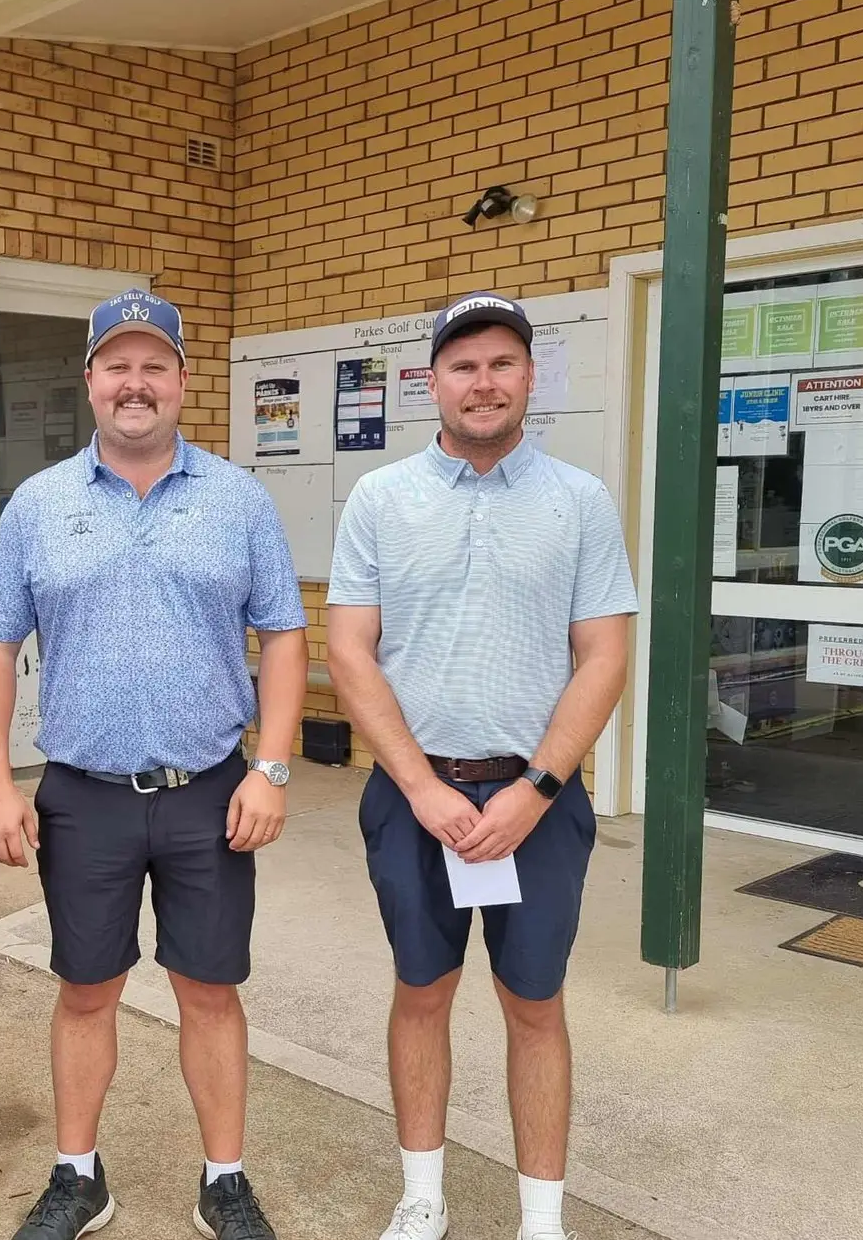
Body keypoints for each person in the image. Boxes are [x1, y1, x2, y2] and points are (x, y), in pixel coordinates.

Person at [0, 289, 309, 1240]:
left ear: (182, 381)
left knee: (210, 988)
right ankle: (79, 1175)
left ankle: (226, 1181)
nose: (135, 383)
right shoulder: (38, 505)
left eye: (154, 365)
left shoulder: (239, 499)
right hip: (83, 796)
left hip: (211, 792)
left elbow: (284, 633)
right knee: (86, 988)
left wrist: (271, 768)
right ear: (90, 382)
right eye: (117, 365)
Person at [324, 292, 637, 1240]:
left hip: (534, 801)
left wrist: (537, 790)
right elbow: (349, 651)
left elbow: (605, 655)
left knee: (534, 1001)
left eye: (503, 363)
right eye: (463, 366)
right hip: (414, 798)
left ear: (530, 377)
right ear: (432, 383)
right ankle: (423, 1196)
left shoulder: (578, 500)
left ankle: (542, 1217)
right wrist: (419, 785)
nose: (484, 382)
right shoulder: (381, 498)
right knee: (421, 993)